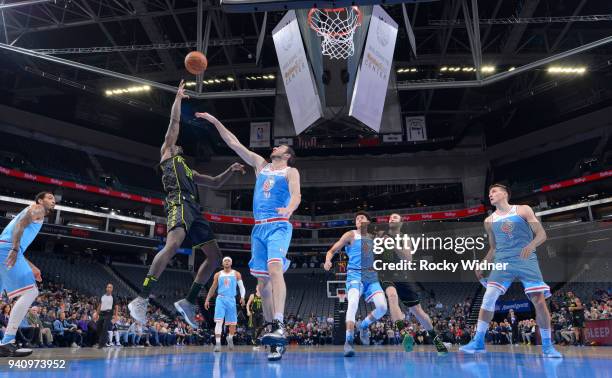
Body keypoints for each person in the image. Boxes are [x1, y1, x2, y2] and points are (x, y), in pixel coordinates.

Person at [129, 81, 245, 328]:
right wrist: (178, 99)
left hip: (194, 209)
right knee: (173, 245)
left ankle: (189, 301)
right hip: (178, 202)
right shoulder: (168, 153)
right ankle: (141, 298)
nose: (179, 144)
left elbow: (214, 182)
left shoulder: (188, 169)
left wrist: (231, 169)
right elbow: (174, 124)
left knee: (214, 257)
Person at [195, 112, 301, 361]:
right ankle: (272, 335)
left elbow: (296, 195)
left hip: (278, 225)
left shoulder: (290, 171)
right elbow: (234, 143)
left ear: (286, 155)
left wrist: (290, 208)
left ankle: (279, 323)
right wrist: (215, 121)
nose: (274, 146)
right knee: (263, 286)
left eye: (280, 146)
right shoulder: (260, 165)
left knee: (276, 269)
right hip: (259, 229)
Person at [460, 184, 562, 358]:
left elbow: (541, 234)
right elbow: (493, 248)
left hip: (525, 258)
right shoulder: (489, 221)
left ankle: (547, 345)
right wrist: (482, 263)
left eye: (494, 191)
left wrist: (531, 245)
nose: (490, 194)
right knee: (489, 297)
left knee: (538, 300)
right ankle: (478, 341)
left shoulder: (522, 210)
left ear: (505, 193)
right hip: (503, 261)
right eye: (489, 192)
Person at [378, 213, 448, 355]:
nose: (391, 218)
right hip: (386, 274)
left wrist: (392, 244)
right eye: (390, 217)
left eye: (395, 217)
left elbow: (408, 259)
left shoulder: (405, 238)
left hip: (403, 276)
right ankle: (404, 333)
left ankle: (435, 339)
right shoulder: (381, 234)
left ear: (401, 223)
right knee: (392, 296)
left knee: (418, 311)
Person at [324, 211, 388, 357]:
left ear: (368, 222)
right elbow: (332, 250)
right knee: (352, 303)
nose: (359, 219)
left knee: (383, 307)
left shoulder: (374, 237)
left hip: (371, 275)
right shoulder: (350, 235)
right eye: (357, 218)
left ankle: (363, 326)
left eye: (362, 217)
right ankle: (349, 341)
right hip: (354, 274)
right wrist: (328, 260)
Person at [0, 192, 55, 357]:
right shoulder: (37, 209)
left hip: (4, 248)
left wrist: (32, 267)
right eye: (50, 198)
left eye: (54, 199)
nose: (53, 201)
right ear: (40, 200)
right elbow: (20, 226)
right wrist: (15, 249)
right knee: (31, 291)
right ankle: (7, 341)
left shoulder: (35, 212)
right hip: (7, 249)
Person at [204, 257, 246, 352]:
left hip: (231, 299)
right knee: (219, 322)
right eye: (225, 261)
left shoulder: (236, 274)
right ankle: (218, 344)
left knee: (233, 324)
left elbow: (242, 287)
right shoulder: (218, 274)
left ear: (231, 263)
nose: (227, 262)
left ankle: (230, 338)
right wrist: (207, 299)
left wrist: (242, 297)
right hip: (220, 299)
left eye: (228, 261)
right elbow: (212, 288)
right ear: (222, 264)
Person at [96, 283, 119, 348]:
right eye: (108, 287)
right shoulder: (102, 296)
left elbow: (116, 307)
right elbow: (100, 305)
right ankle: (105, 340)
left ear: (112, 289)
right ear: (106, 288)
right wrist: (96, 314)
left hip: (109, 314)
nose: (109, 288)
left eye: (110, 287)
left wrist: (116, 316)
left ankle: (101, 344)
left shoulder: (113, 297)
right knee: (98, 327)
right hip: (101, 313)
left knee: (105, 328)